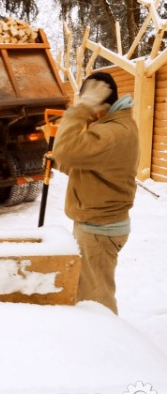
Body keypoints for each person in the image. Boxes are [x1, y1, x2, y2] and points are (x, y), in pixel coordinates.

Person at [51, 72, 140, 314]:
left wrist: (79, 110)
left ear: (99, 103)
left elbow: (66, 150)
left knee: (96, 301)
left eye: (88, 104)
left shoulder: (113, 132)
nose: (86, 112)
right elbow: (90, 165)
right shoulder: (110, 128)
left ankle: (108, 345)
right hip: (96, 226)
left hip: (100, 230)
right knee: (88, 292)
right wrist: (59, 162)